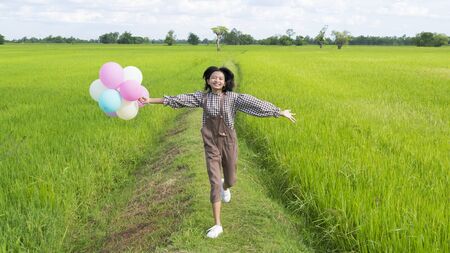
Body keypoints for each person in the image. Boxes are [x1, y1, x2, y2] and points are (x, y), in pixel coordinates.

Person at [138, 66, 296, 238]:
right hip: (211, 144)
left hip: (229, 142)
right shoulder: (202, 97)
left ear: (225, 82)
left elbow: (255, 103)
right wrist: (149, 100)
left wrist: (278, 112)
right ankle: (217, 224)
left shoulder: (233, 98)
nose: (217, 81)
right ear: (207, 80)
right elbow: (179, 99)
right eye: (213, 78)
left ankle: (225, 186)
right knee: (214, 182)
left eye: (220, 78)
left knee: (231, 179)